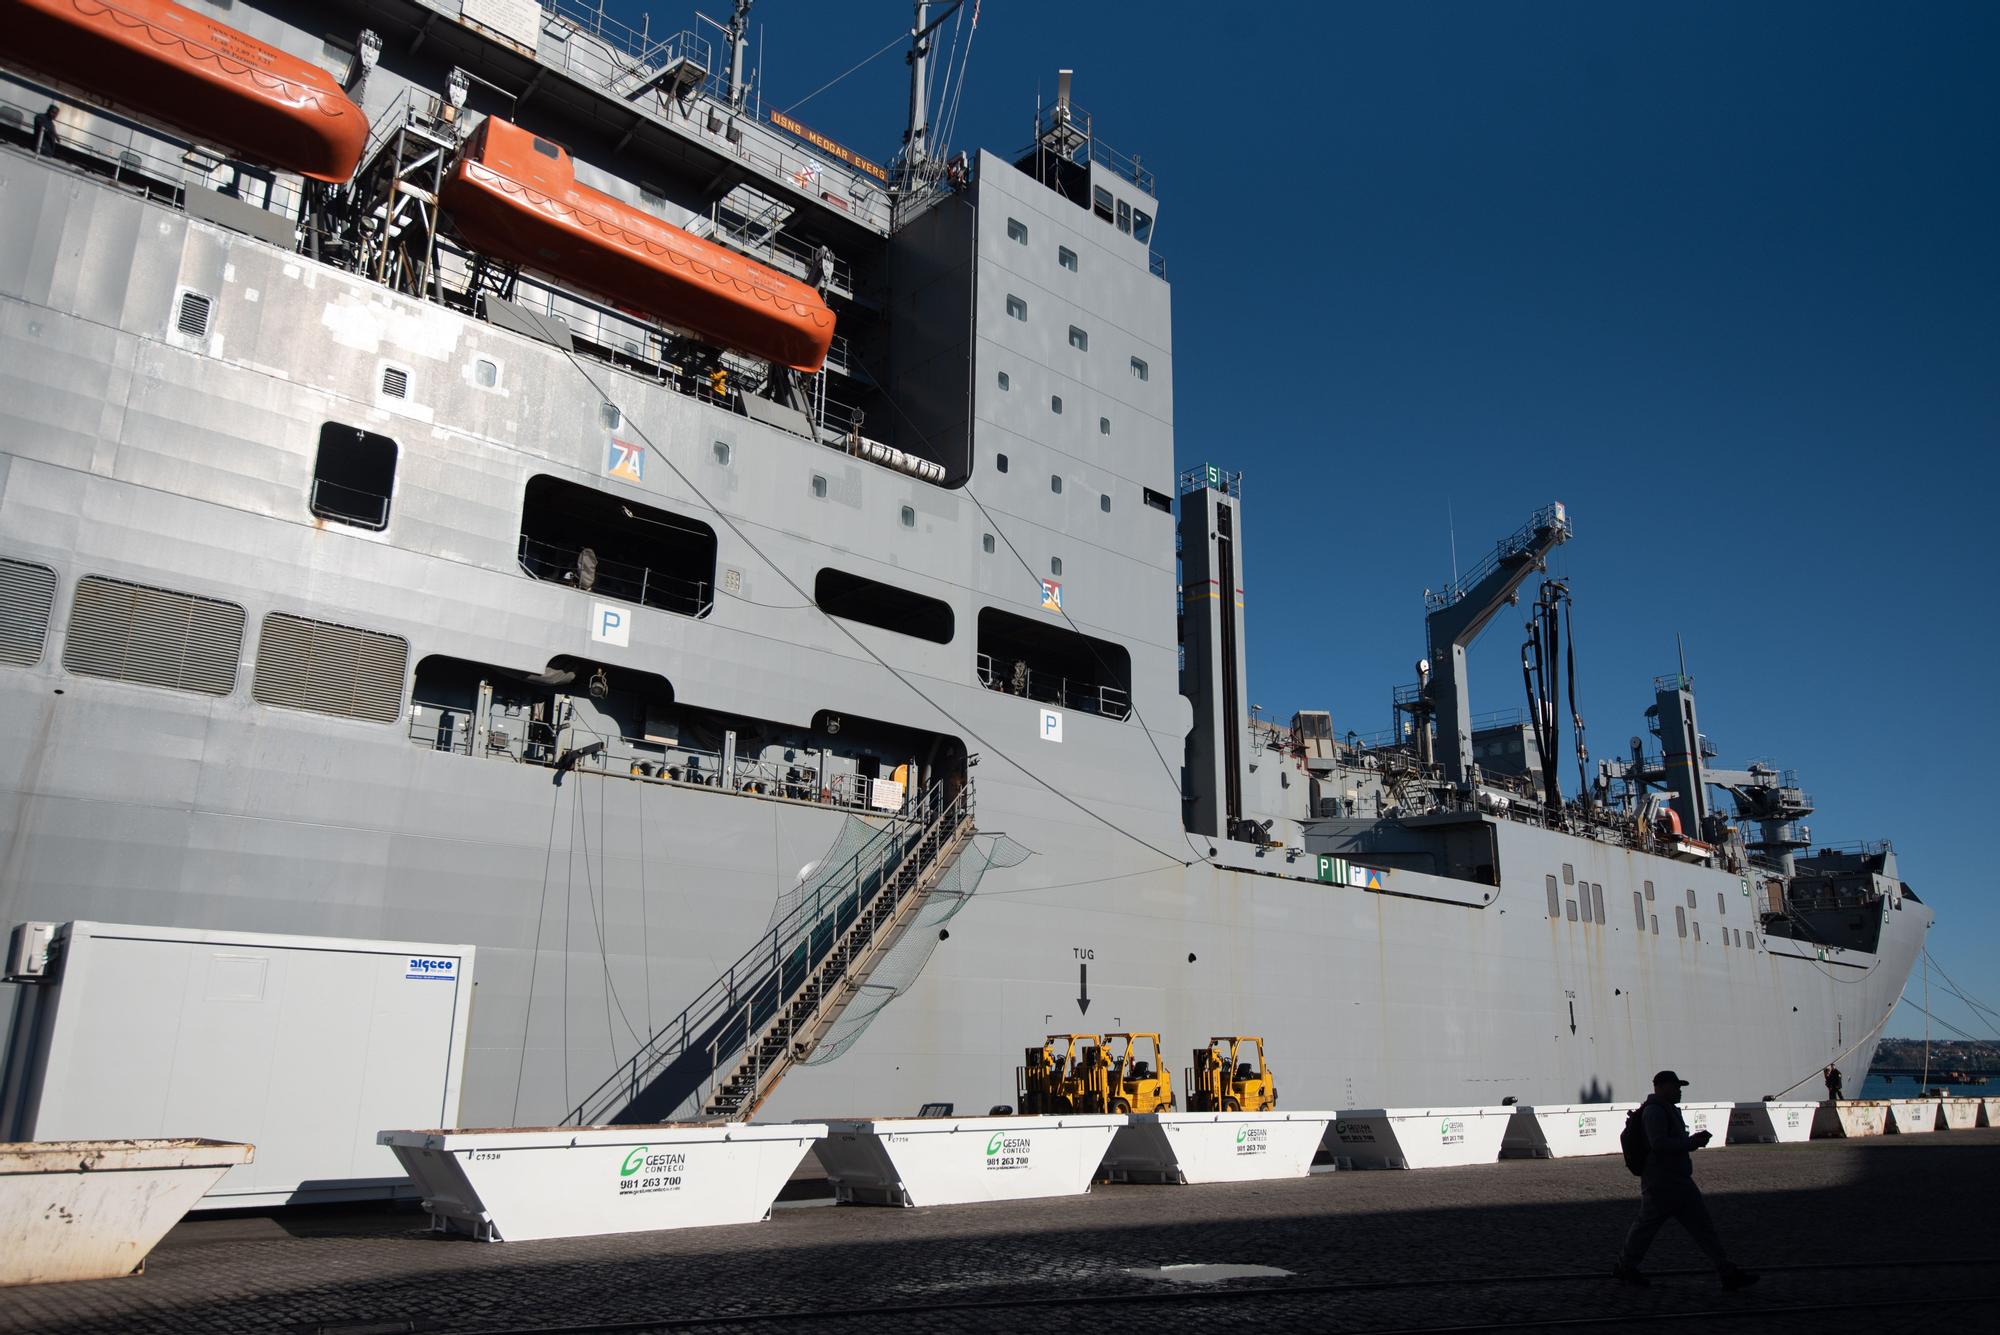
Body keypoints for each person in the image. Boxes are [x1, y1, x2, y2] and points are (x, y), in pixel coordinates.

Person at [1614, 1070, 1757, 1290]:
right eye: (1675, 1086)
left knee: (1693, 1227)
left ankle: (1726, 1270)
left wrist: (1689, 1142)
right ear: (1660, 1087)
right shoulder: (1655, 1112)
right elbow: (1659, 1144)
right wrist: (1690, 1144)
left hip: (1675, 1179)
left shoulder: (1665, 1110)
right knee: (1656, 1226)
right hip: (1664, 1181)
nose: (1679, 1091)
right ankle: (1626, 1266)